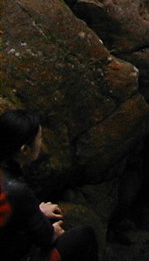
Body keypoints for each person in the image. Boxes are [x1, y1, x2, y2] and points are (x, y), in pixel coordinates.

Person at [0, 110, 99, 261]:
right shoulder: (17, 191)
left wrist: (35, 210)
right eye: (39, 138)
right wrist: (53, 230)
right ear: (24, 149)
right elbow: (46, 237)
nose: (41, 142)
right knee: (83, 236)